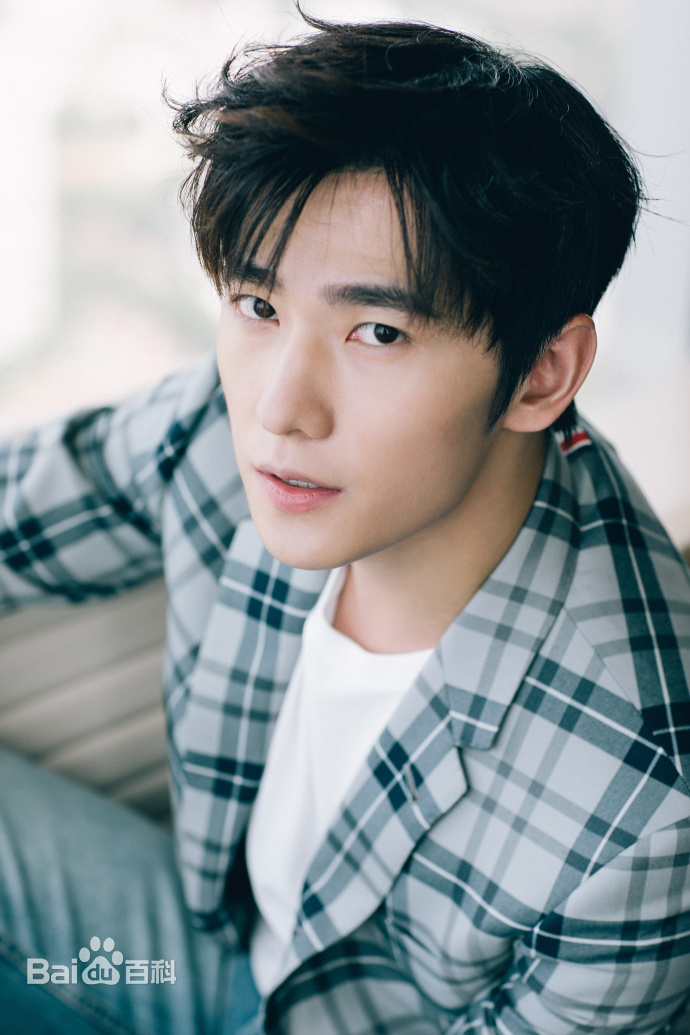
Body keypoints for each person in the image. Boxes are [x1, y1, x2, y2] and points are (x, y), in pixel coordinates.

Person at [1, 13, 689, 1035]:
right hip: (204, 956)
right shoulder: (223, 424)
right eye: (259, 305)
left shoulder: (647, 801)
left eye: (378, 331)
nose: (280, 409)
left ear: (542, 375)